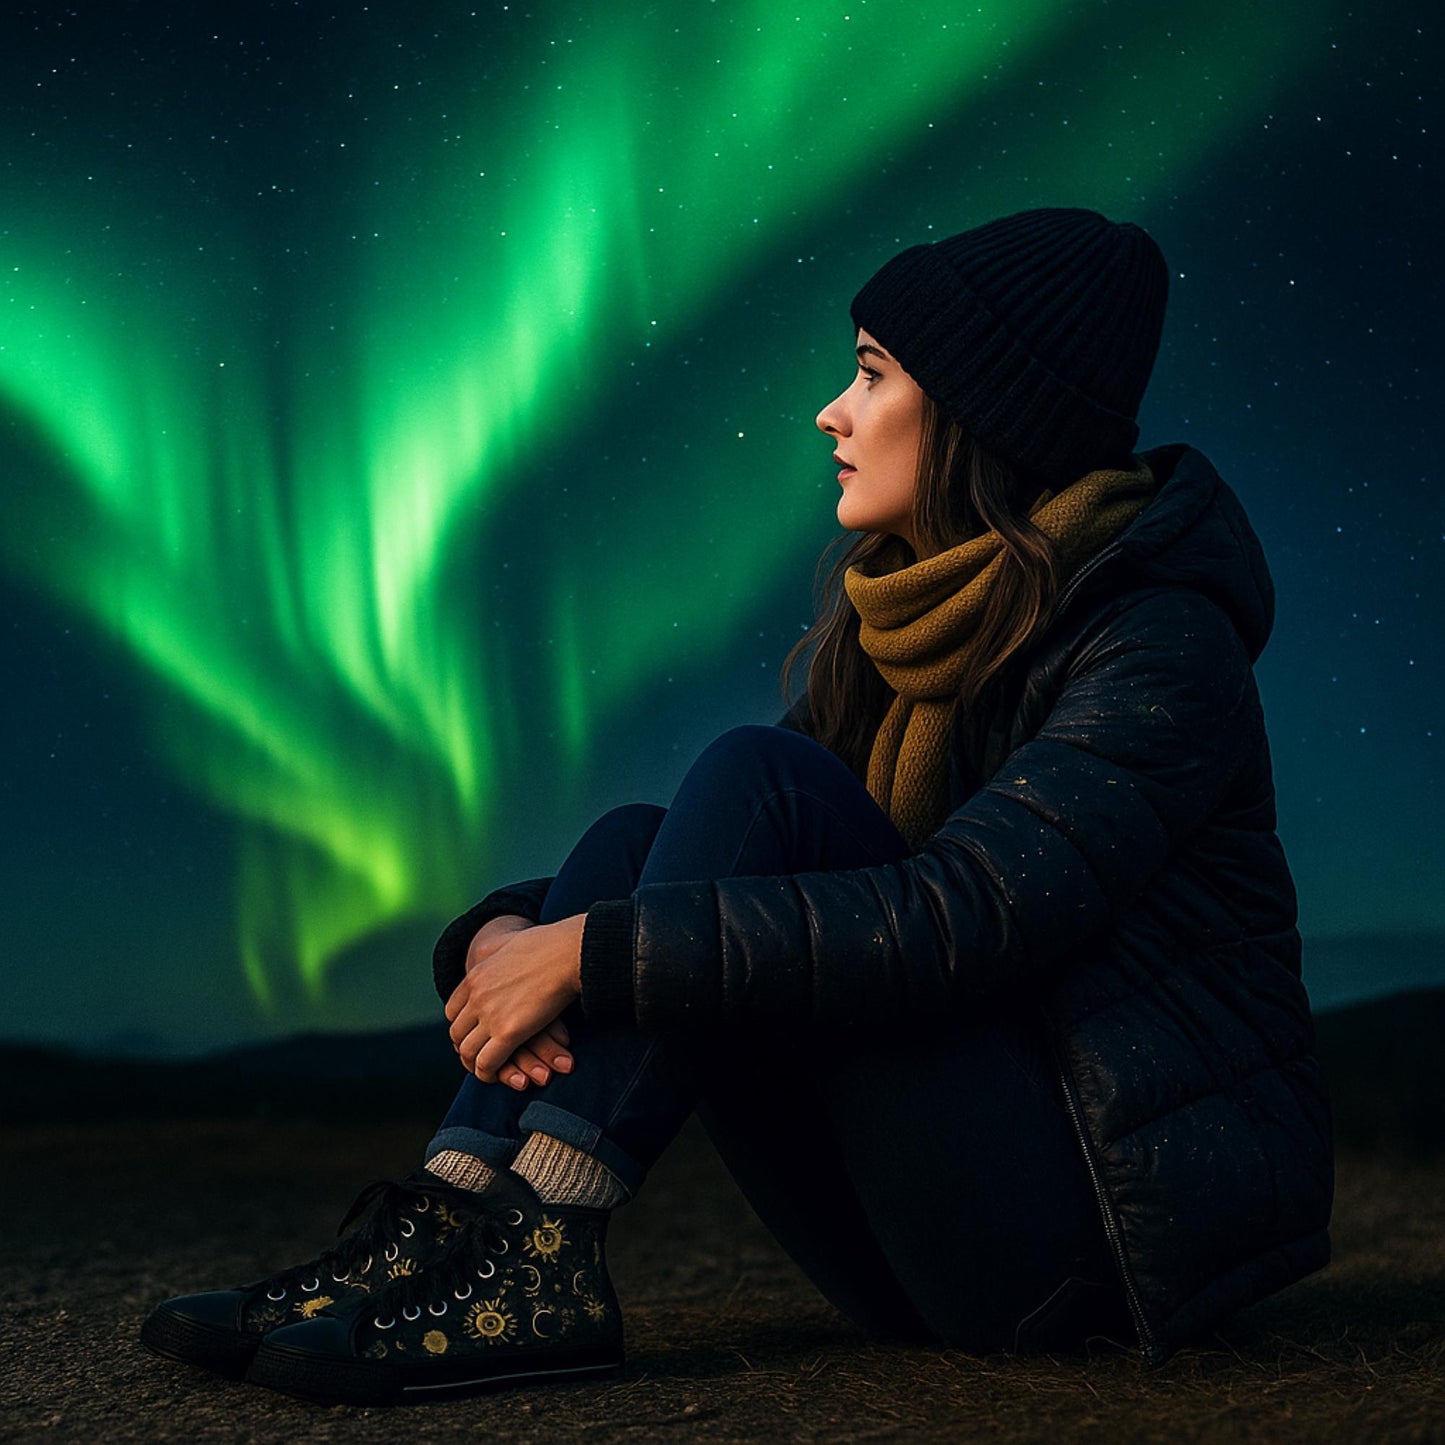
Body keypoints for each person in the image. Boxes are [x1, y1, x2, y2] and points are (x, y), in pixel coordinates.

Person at [141, 206, 1334, 1407]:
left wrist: (589, 952)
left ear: (982, 409)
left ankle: (542, 1243)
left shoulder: (1156, 637)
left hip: (1080, 1251)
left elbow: (967, 915)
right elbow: (710, 872)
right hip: (916, 1239)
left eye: (870, 375)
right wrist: (505, 937)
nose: (831, 410)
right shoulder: (899, 635)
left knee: (755, 784)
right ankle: (448, 1223)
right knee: (638, 840)